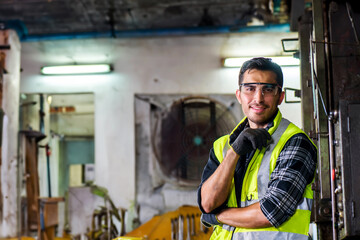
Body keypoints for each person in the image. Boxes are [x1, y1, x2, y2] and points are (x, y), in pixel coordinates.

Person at [197, 57, 317, 240]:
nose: (258, 98)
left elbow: (273, 211)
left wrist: (217, 217)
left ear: (280, 97)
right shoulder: (222, 146)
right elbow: (208, 204)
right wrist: (234, 152)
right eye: (250, 89)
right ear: (239, 95)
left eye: (267, 89)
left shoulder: (295, 142)